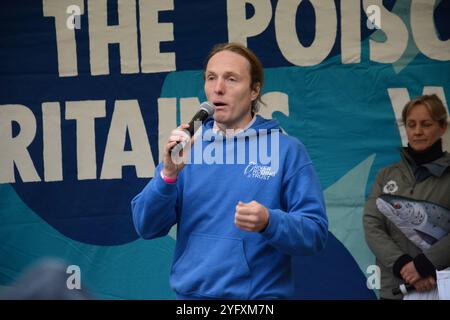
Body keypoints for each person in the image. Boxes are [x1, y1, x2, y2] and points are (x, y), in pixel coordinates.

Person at [131, 43, 328, 300]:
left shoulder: (286, 149)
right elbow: (145, 226)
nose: (218, 88)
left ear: (255, 90)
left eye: (231, 79)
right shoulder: (188, 147)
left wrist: (270, 221)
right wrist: (168, 175)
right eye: (211, 78)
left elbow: (314, 233)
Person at [363, 94, 450, 300]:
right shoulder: (386, 175)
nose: (418, 131)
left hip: (442, 287)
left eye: (426, 124)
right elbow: (371, 224)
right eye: (411, 125)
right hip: (395, 289)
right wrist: (403, 265)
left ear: (443, 127)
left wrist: (425, 264)